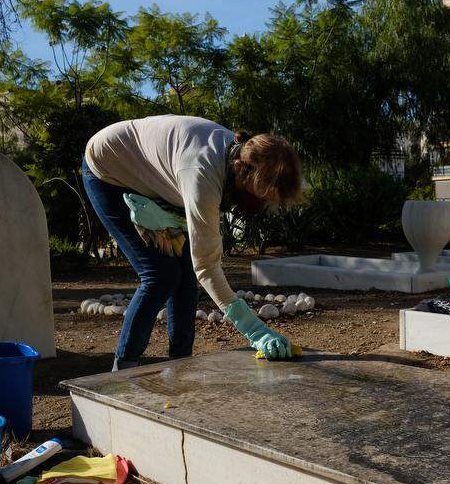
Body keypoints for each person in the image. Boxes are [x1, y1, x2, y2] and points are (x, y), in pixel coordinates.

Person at [82, 115, 302, 370]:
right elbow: (207, 266)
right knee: (160, 275)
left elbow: (199, 264)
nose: (261, 205)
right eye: (260, 195)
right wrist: (256, 330)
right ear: (241, 169)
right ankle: (122, 370)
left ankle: (181, 365)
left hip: (151, 176)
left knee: (185, 275)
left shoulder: (237, 155)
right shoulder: (202, 174)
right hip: (109, 172)